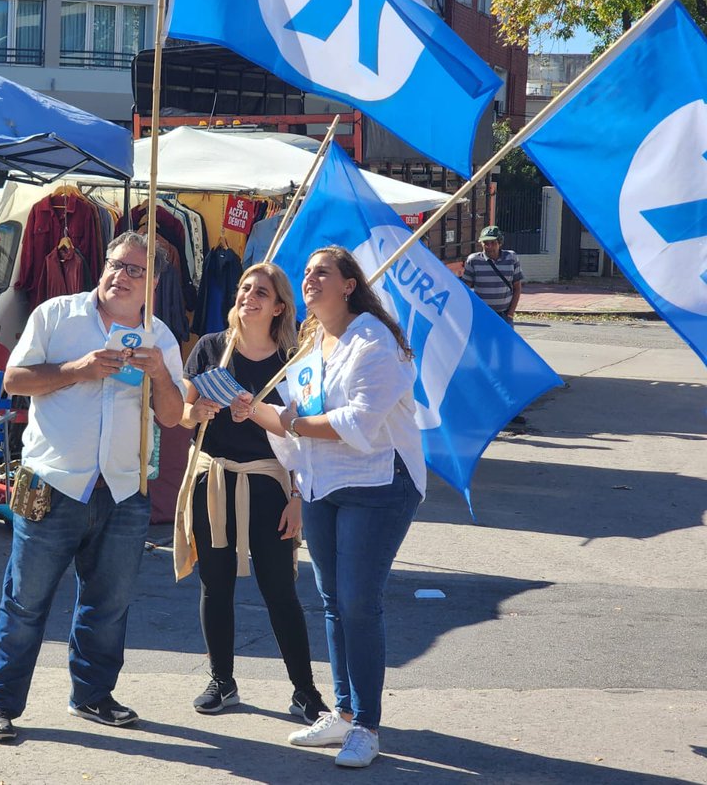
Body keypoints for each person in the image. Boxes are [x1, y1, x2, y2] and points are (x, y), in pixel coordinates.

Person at [0, 231, 186, 742]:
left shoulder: (159, 335)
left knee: (109, 602)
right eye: (117, 264)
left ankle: (92, 696)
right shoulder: (56, 314)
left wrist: (160, 372)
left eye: (136, 270)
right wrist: (79, 369)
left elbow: (173, 415)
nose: (122, 276)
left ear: (153, 283)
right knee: (25, 601)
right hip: (51, 481)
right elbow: (14, 380)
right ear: (103, 267)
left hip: (123, 489)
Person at [276, 246, 425, 769]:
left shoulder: (374, 339)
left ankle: (366, 724)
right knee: (333, 600)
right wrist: (258, 413)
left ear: (348, 284)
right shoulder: (310, 342)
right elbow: (302, 412)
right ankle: (341, 712)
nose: (311, 279)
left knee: (360, 601)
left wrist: (288, 423)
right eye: (308, 272)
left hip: (379, 480)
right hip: (322, 482)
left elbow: (358, 424)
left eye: (324, 272)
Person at [174, 263, 330, 722]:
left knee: (279, 589)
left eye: (261, 291)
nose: (249, 296)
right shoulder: (209, 348)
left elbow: (305, 436)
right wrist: (196, 410)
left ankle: (305, 691)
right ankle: (222, 682)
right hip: (213, 478)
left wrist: (299, 499)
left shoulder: (292, 362)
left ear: (279, 305)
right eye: (244, 288)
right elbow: (181, 414)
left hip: (268, 484)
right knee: (214, 585)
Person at [462, 225, 523, 325]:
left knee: (505, 341)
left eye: (493, 243)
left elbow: (517, 287)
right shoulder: (473, 260)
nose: (489, 247)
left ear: (500, 243)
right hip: (482, 315)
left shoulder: (512, 258)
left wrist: (510, 314)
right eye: (485, 243)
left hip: (504, 315)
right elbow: (465, 289)